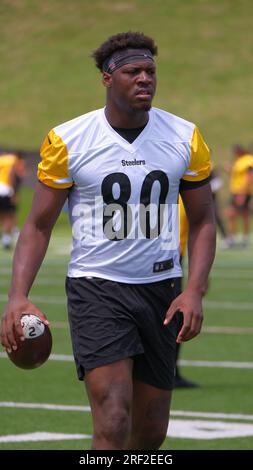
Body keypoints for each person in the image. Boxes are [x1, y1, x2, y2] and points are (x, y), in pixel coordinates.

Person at [0, 32, 216, 450]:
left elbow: (205, 220)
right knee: (113, 420)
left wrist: (194, 289)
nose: (144, 79)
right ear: (107, 78)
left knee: (150, 434)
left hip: (162, 291)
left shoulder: (185, 136)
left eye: (150, 71)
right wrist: (17, 296)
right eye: (133, 71)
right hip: (98, 289)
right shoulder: (69, 139)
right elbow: (38, 225)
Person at [174, 196, 200, 388]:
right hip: (159, 253)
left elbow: (198, 224)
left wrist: (197, 278)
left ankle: (171, 369)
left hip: (176, 254)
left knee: (176, 317)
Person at [225, 144, 253, 247]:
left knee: (244, 215)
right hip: (235, 192)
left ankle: (244, 238)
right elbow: (237, 176)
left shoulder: (248, 160)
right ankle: (231, 238)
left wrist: (243, 193)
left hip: (242, 192)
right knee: (232, 214)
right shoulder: (238, 161)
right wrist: (230, 170)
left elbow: (249, 177)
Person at [0, 151, 26, 249]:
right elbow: (13, 174)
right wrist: (14, 192)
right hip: (6, 189)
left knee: (2, 214)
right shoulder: (14, 160)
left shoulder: (2, 159)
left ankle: (7, 234)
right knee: (9, 215)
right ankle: (7, 238)